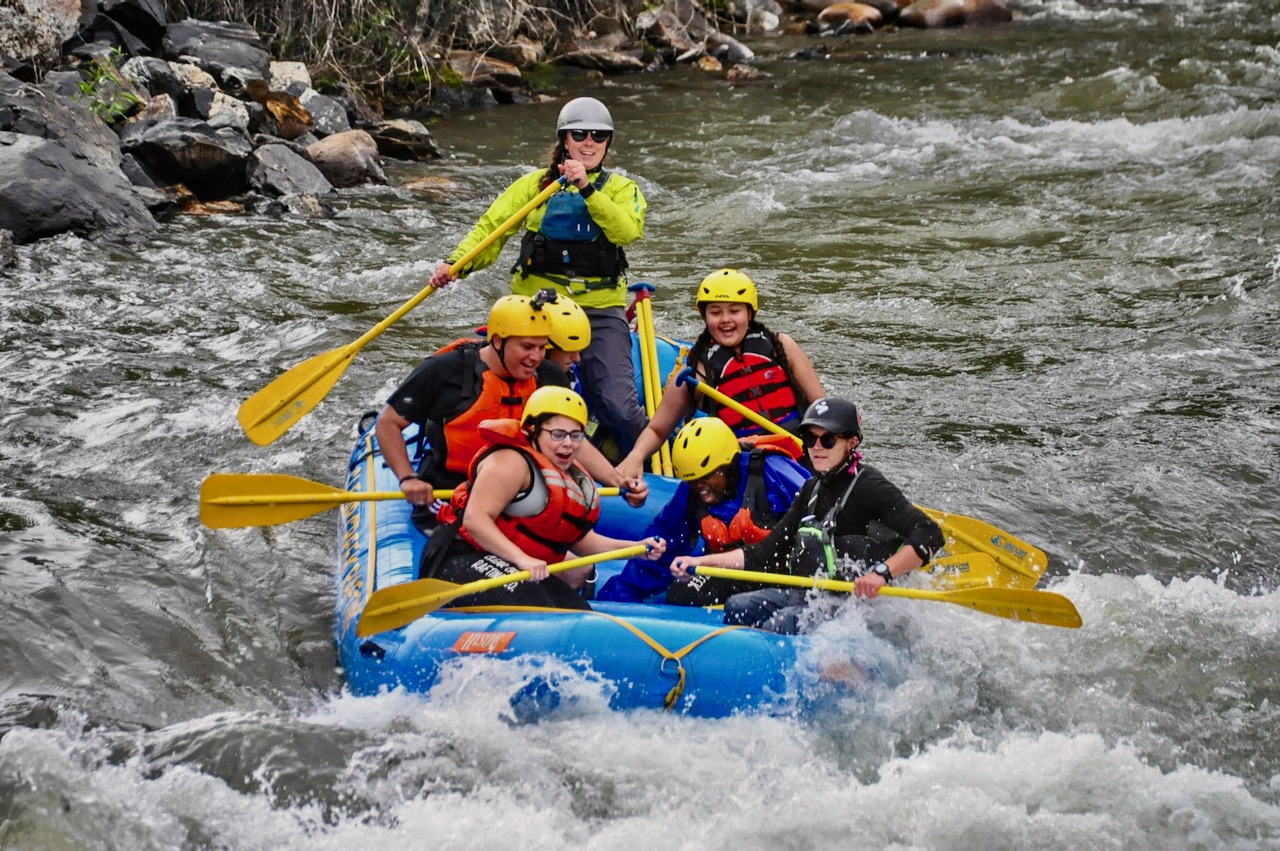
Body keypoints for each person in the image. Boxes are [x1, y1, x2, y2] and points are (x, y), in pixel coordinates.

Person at [428, 96, 649, 457]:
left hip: (598, 309)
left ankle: (634, 466)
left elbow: (626, 232)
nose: (588, 142)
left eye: (598, 135)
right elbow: (492, 229)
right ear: (565, 139)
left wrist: (586, 189)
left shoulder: (623, 190)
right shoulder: (533, 186)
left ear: (608, 143)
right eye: (579, 134)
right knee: (526, 403)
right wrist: (455, 265)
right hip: (537, 312)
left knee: (621, 410)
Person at [669, 397, 944, 634]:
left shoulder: (868, 485)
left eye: (828, 439)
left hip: (856, 604)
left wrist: (882, 573)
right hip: (813, 594)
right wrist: (699, 562)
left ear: (852, 442)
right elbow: (763, 553)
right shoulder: (811, 489)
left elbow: (929, 532)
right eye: (811, 439)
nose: (817, 447)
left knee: (783, 623)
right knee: (738, 607)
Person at [374, 294, 646, 525]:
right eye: (526, 347)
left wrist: (616, 480)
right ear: (498, 341)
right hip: (452, 492)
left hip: (522, 493)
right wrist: (407, 478)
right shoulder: (445, 371)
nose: (536, 357)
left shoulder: (549, 377)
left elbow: (572, 439)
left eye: (541, 348)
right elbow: (388, 423)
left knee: (577, 564)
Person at [425, 387, 666, 609]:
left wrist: (635, 548)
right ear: (533, 431)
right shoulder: (510, 462)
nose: (568, 445)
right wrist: (523, 559)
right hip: (461, 554)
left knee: (577, 612)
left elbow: (579, 542)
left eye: (576, 435)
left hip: (515, 565)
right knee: (532, 605)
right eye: (558, 434)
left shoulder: (569, 477)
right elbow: (475, 520)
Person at [616, 268, 825, 481]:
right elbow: (658, 430)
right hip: (747, 463)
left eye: (735, 311)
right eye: (715, 313)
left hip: (798, 451)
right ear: (705, 317)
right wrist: (636, 456)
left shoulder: (782, 347)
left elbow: (822, 407)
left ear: (750, 313)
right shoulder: (697, 370)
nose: (725, 320)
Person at [596, 416, 809, 605]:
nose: (701, 488)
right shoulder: (691, 493)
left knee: (742, 604)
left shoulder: (773, 472)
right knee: (682, 595)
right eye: (693, 481)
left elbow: (820, 508)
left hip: (784, 573)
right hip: (731, 570)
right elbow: (664, 543)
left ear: (727, 465)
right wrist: (620, 597)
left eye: (707, 477)